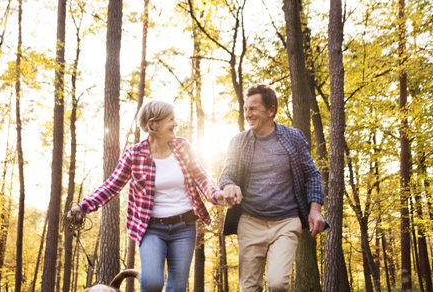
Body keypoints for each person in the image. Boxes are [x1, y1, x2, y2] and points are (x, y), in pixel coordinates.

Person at [68, 100, 223, 292]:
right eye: (171, 120)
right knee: (151, 283)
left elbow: (202, 177)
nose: (176, 124)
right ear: (153, 124)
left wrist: (218, 196)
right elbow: (111, 186)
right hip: (151, 227)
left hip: (184, 226)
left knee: (177, 286)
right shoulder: (134, 154)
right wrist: (83, 207)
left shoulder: (183, 147)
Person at [217, 84, 327, 292]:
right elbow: (228, 172)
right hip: (250, 222)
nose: (248, 114)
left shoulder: (293, 138)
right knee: (249, 287)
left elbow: (312, 174)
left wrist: (315, 209)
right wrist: (230, 185)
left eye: (254, 109)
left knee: (278, 283)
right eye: (246, 109)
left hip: (285, 222)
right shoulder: (238, 142)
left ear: (271, 111)